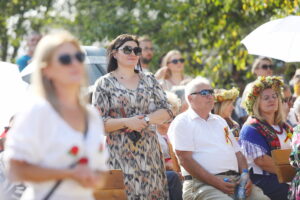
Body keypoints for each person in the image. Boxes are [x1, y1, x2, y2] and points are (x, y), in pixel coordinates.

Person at [4, 30, 108, 200]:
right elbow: (15, 170)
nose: (75, 63)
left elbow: (101, 173)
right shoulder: (36, 112)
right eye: (65, 59)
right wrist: (69, 173)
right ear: (47, 70)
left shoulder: (91, 115)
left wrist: (94, 179)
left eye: (79, 57)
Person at [92, 34, 173, 199]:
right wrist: (126, 122)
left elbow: (168, 110)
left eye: (137, 50)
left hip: (149, 153)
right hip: (119, 154)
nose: (133, 53)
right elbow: (97, 124)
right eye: (127, 49)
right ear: (114, 53)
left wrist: (146, 120)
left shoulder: (149, 79)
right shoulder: (103, 83)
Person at [168, 76, 269, 200]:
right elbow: (185, 159)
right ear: (190, 98)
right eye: (204, 93)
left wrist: (245, 176)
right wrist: (216, 182)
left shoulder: (219, 121)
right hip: (201, 185)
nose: (210, 96)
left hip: (235, 181)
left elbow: (238, 153)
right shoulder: (182, 122)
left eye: (211, 92)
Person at [240, 76, 291, 200]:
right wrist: (294, 174)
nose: (271, 100)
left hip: (288, 178)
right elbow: (262, 161)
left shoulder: (284, 127)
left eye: (274, 96)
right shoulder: (251, 128)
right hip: (264, 181)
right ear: (257, 102)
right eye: (266, 98)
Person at [156, 91, 183, 200]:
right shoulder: (151, 133)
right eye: (166, 114)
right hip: (159, 172)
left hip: (178, 171)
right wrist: (168, 166)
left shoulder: (174, 131)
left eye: (172, 114)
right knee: (173, 177)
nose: (170, 119)